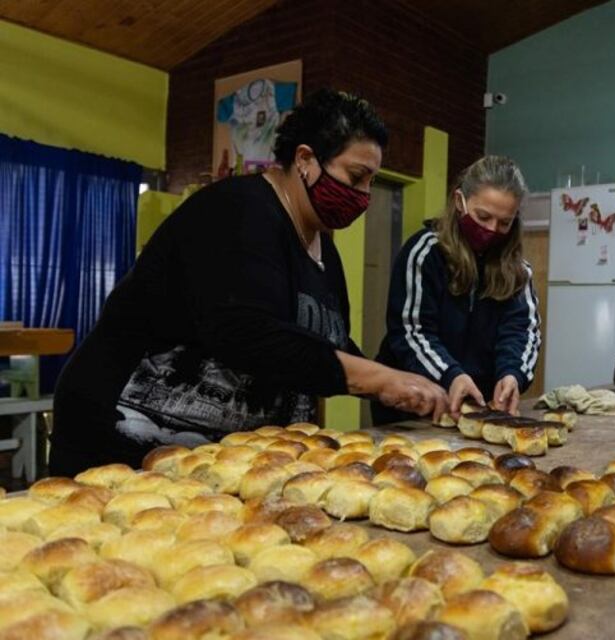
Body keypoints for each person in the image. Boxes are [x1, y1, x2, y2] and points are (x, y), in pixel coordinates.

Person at [51, 88, 448, 475]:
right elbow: (245, 331)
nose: (364, 196)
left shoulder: (324, 250)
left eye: (370, 183)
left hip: (223, 461)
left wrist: (408, 383)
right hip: (123, 436)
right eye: (356, 176)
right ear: (305, 159)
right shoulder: (235, 211)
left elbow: (327, 344)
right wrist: (376, 379)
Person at [373, 156, 541, 424]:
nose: (491, 229)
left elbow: (521, 331)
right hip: (414, 406)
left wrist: (512, 374)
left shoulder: (518, 270)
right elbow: (411, 331)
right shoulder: (425, 253)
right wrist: (451, 375)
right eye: (483, 216)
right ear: (459, 201)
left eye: (504, 223)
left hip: (478, 408)